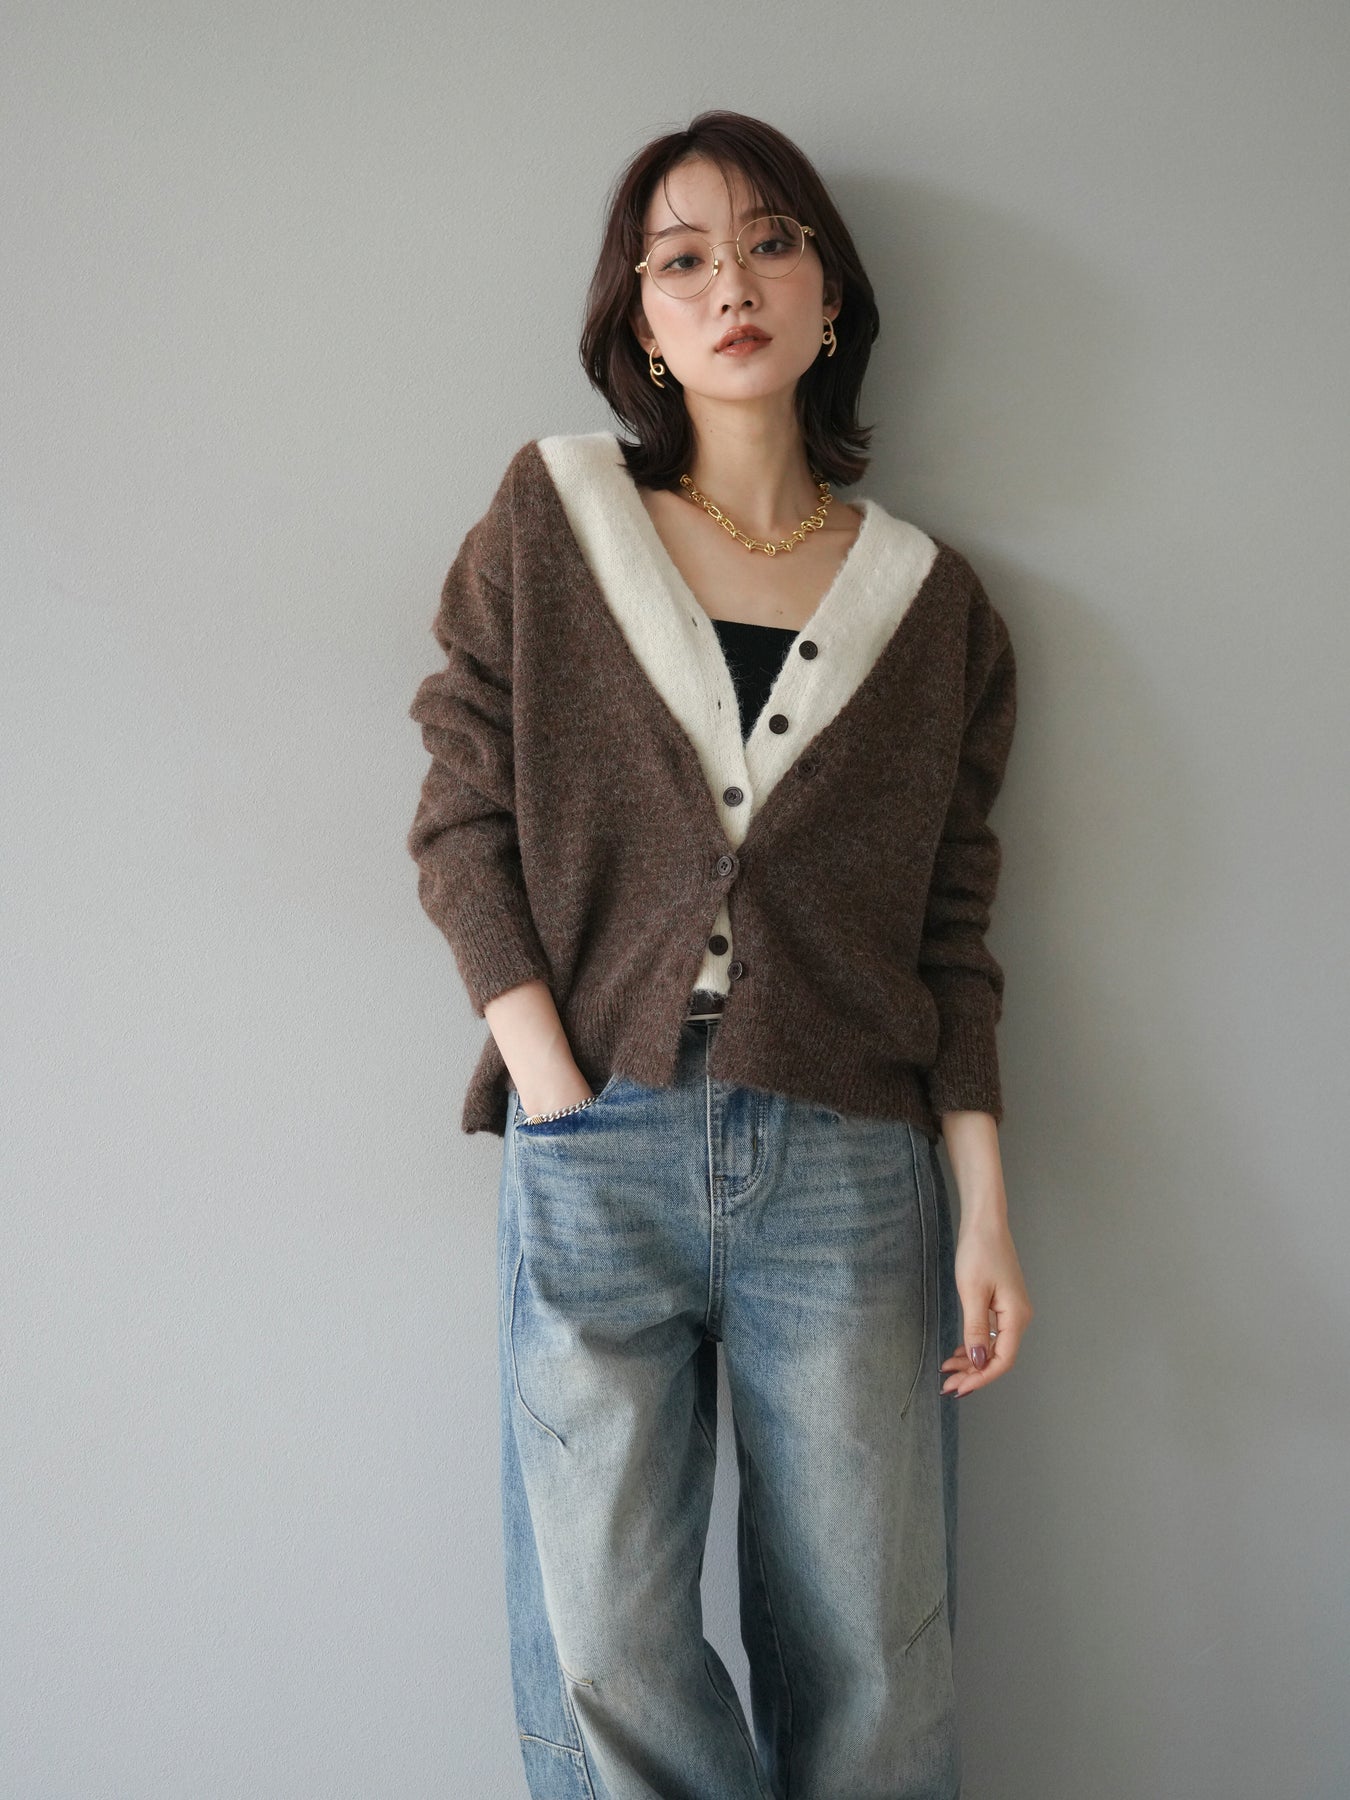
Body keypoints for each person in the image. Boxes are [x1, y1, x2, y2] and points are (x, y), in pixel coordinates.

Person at [407, 109, 1033, 1800]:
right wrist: (551, 1084)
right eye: (680, 260)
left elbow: (951, 927)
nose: (729, 286)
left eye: (769, 244)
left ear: (829, 298)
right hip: (594, 1135)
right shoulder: (551, 517)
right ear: (640, 321)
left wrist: (982, 1202)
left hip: (846, 1157)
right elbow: (459, 815)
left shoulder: (933, 604)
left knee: (872, 1648)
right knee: (603, 1642)